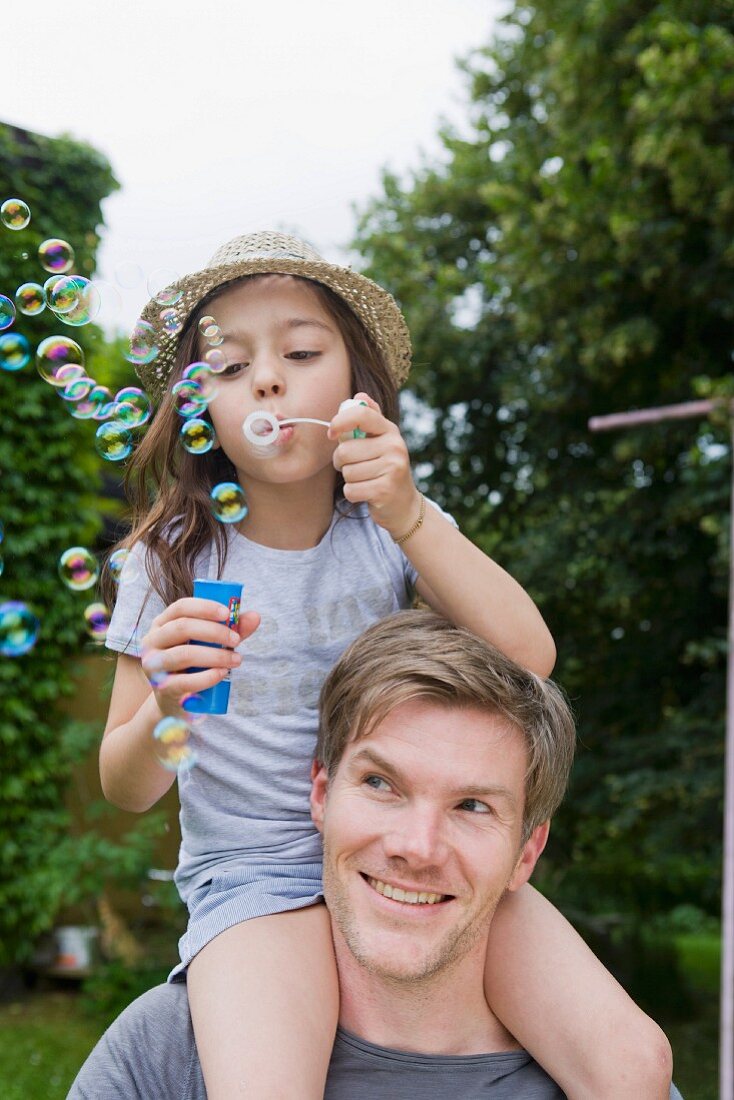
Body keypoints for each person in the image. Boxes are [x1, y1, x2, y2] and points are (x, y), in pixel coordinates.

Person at [98, 231, 658, 1099]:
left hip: (408, 842)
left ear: (356, 384)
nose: (268, 380)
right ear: (199, 402)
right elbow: (124, 786)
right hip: (254, 875)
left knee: (633, 1064)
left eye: (299, 351)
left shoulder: (388, 531)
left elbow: (530, 657)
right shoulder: (168, 561)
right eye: (231, 363)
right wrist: (162, 707)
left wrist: (407, 513)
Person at [71, 611, 676, 1098]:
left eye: (472, 806)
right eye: (382, 784)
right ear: (321, 794)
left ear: (528, 852)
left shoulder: (611, 1075)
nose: (417, 847)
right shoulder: (167, 1056)